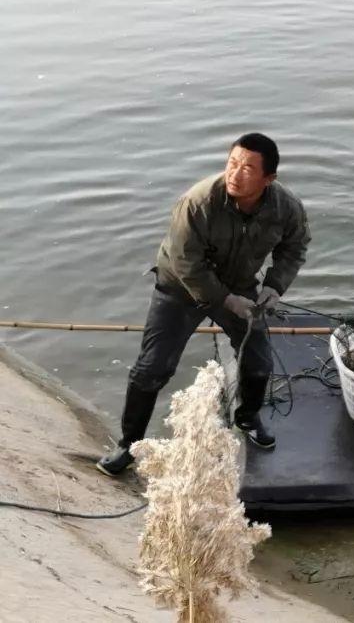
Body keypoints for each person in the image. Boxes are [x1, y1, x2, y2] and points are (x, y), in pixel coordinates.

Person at [97, 133, 311, 476]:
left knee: (258, 360)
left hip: (241, 285)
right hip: (180, 288)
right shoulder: (198, 203)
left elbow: (295, 246)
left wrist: (273, 287)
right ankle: (128, 443)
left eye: (248, 168)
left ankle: (247, 418)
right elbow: (186, 264)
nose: (235, 173)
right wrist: (226, 300)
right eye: (232, 163)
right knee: (153, 369)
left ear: (268, 179)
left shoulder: (286, 208)